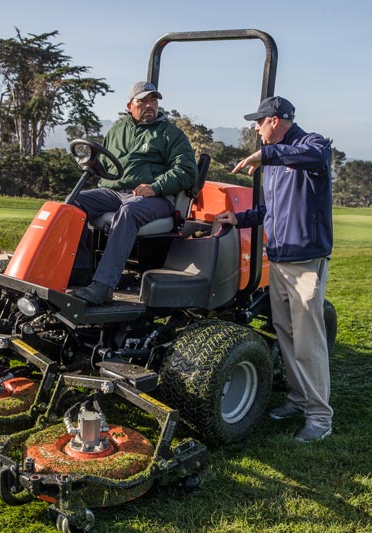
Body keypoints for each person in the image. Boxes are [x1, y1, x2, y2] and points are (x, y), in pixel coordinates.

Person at [215, 96, 334, 443]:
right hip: (279, 262)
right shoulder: (276, 161)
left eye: (259, 121)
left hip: (305, 264)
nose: (255, 127)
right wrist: (238, 219)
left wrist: (267, 155)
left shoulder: (310, 145)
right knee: (287, 337)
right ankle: (298, 401)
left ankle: (320, 418)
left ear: (277, 120)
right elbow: (269, 211)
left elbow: (315, 158)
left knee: (308, 343)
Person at [71, 81, 198, 305]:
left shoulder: (171, 134)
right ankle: (80, 271)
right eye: (143, 101)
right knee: (73, 203)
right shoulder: (117, 131)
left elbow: (186, 171)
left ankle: (103, 286)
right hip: (115, 193)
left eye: (153, 101)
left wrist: (155, 187)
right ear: (130, 105)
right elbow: (104, 166)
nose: (149, 105)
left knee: (128, 212)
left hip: (157, 198)